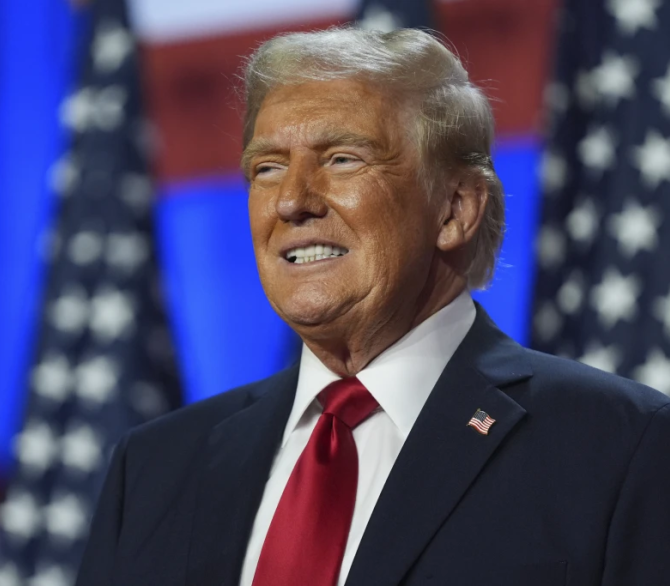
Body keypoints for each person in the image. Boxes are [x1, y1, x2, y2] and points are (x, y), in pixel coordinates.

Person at [76, 27, 670, 586]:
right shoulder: (153, 469)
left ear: (455, 210)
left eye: (341, 159)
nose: (290, 202)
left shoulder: (620, 448)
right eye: (267, 168)